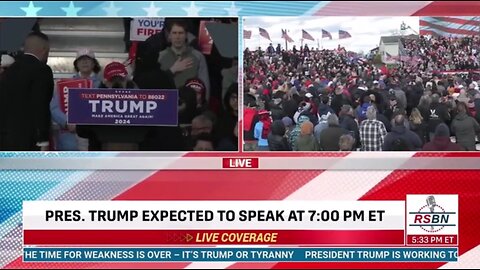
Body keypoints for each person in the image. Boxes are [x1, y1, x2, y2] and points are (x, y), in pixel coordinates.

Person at [0, 32, 53, 151]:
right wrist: (43, 139)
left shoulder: (8, 71)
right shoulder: (42, 70)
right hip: (28, 138)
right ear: (44, 49)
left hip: (4, 137)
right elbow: (41, 104)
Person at [50, 49, 103, 151]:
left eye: (88, 59)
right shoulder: (66, 85)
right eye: (81, 60)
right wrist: (66, 121)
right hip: (70, 137)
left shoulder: (102, 84)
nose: (84, 62)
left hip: (94, 135)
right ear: (76, 64)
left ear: (94, 63)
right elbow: (54, 107)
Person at [158, 20, 211, 102]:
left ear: (186, 35)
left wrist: (204, 105)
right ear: (169, 36)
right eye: (174, 33)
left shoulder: (198, 56)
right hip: (167, 104)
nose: (177, 37)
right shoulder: (160, 57)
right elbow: (156, 84)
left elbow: (205, 85)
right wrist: (172, 70)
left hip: (192, 106)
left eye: (181, 33)